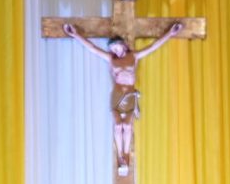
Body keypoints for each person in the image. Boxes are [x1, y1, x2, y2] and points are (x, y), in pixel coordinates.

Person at [61, 21, 184, 175]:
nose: (115, 51)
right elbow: (92, 48)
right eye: (112, 49)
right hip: (117, 95)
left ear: (123, 45)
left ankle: (126, 156)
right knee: (118, 126)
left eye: (116, 48)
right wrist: (75, 35)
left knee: (128, 126)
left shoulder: (134, 56)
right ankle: (121, 156)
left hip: (130, 95)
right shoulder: (112, 59)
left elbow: (153, 46)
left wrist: (170, 33)